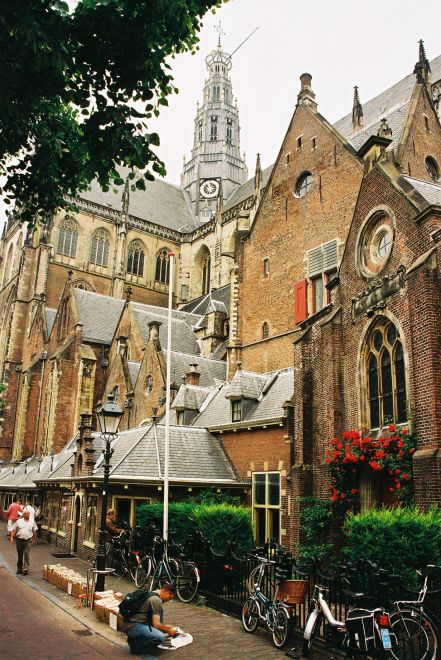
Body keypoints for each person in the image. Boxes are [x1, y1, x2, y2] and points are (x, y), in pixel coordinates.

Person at [125, 584, 179, 655]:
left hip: (130, 623)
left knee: (160, 611)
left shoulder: (152, 593)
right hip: (134, 626)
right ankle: (136, 645)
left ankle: (141, 638)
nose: (168, 601)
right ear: (167, 592)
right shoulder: (156, 600)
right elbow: (156, 625)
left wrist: (165, 627)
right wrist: (168, 630)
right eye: (169, 598)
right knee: (160, 637)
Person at [10, 509, 37, 575]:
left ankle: (25, 570)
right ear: (23, 515)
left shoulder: (32, 522)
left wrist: (34, 539)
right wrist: (11, 537)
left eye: (28, 514)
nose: (28, 515)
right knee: (20, 555)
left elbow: (34, 530)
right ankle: (19, 569)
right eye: (26, 514)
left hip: (28, 540)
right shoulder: (18, 521)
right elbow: (13, 529)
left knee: (26, 554)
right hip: (19, 540)